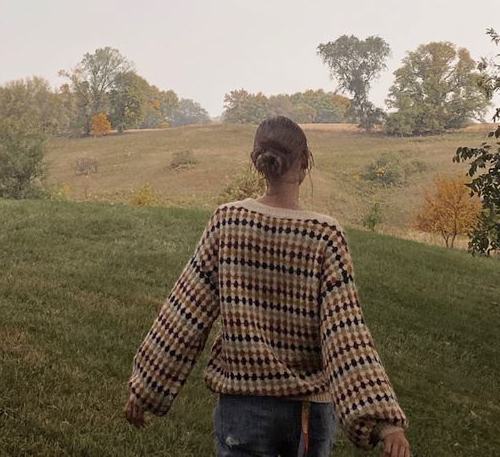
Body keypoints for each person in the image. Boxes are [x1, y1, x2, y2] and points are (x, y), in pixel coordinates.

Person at [124, 116, 410, 456]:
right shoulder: (325, 236)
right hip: (309, 414)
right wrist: (385, 421)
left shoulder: (228, 222)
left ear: (256, 161)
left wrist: (145, 388)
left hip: (244, 410)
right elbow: (345, 334)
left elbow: (185, 314)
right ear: (305, 161)